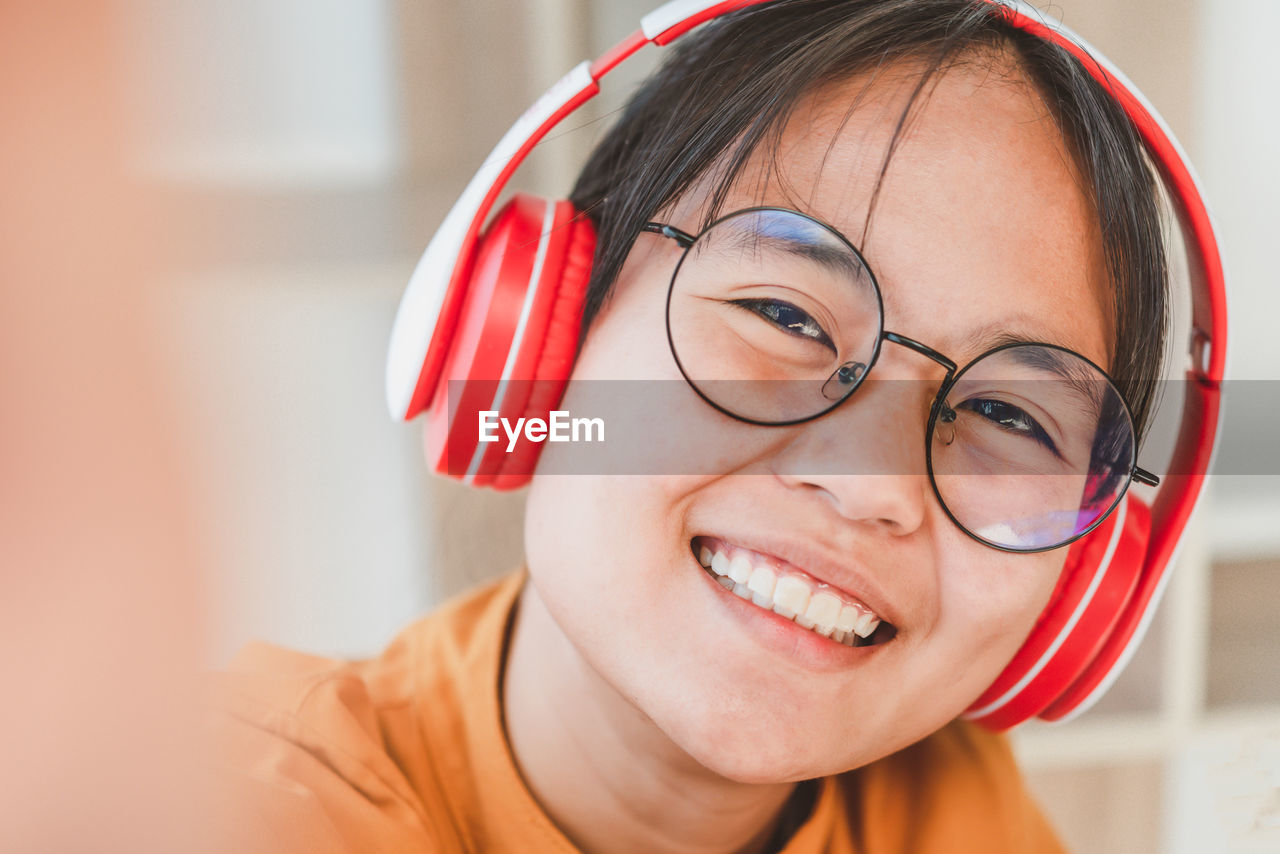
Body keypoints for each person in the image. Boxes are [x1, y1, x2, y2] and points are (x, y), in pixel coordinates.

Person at [209, 1, 1191, 851]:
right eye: (785, 317)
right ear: (537, 348)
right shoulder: (225, 810)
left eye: (1002, 413)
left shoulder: (957, 811)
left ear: (1079, 595)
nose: (869, 482)